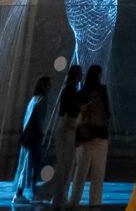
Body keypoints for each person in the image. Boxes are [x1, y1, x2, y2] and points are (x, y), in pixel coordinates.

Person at [69, 64, 112, 205]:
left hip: (85, 137)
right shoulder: (102, 90)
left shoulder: (82, 93)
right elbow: (107, 114)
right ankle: (95, 202)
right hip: (101, 136)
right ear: (99, 76)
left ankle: (74, 200)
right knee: (98, 173)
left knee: (80, 171)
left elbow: (76, 116)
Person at [44, 63, 86, 203]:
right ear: (75, 75)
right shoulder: (70, 90)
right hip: (67, 129)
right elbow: (71, 110)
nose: (81, 76)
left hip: (66, 129)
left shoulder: (70, 89)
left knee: (64, 166)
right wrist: (81, 108)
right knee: (64, 166)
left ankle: (57, 196)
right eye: (80, 73)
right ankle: (54, 196)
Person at [13, 75, 55, 205]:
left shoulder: (34, 99)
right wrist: (45, 135)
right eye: (49, 84)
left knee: (27, 166)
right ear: (44, 86)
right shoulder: (42, 100)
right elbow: (40, 122)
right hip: (35, 140)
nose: (50, 87)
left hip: (28, 139)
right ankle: (23, 194)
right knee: (32, 167)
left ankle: (28, 193)